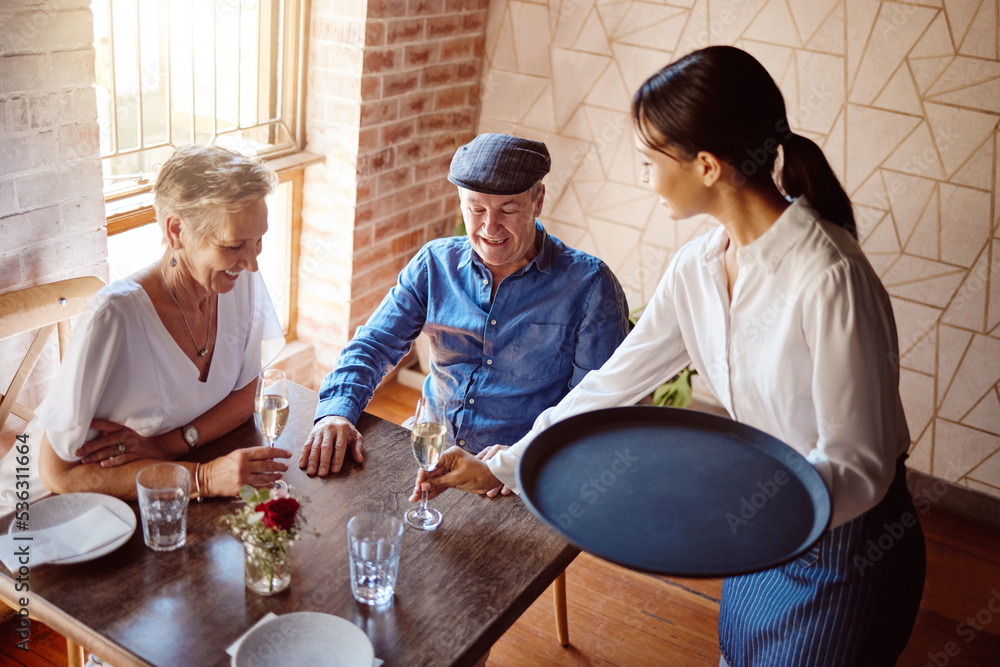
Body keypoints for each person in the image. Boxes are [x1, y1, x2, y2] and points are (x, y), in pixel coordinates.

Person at [412, 47, 926, 665]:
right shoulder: (699, 268)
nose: (646, 178)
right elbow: (613, 384)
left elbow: (862, 466)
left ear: (706, 165)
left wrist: (727, 524)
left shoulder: (829, 275)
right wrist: (507, 465)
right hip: (762, 525)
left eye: (650, 160)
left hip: (845, 546)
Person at [299, 133, 629, 477]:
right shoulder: (434, 264)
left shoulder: (590, 285)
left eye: (508, 209)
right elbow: (372, 346)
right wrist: (337, 411)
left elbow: (596, 404)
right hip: (429, 449)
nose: (490, 227)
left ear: (538, 200)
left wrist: (522, 454)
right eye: (476, 209)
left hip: (519, 472)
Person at [0, 144, 292, 510]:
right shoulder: (115, 317)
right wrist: (202, 477)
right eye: (234, 245)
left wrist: (170, 445)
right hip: (40, 509)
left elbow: (249, 389)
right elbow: (57, 474)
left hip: (145, 491)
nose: (251, 262)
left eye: (259, 240)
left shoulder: (234, 278)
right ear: (176, 231)